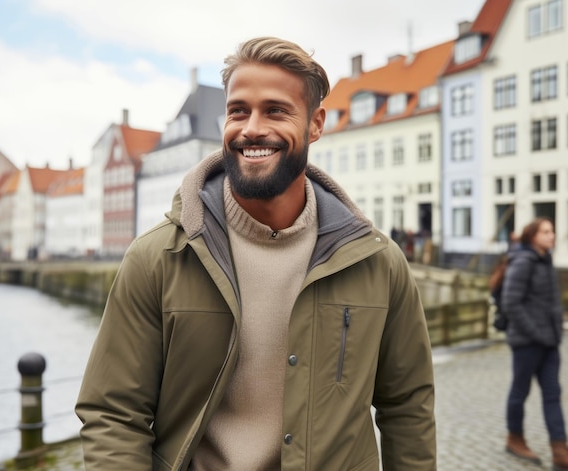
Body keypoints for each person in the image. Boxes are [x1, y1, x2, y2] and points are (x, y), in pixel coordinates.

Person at [75, 36, 436, 470]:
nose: (251, 128)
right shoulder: (159, 258)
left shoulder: (378, 263)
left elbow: (407, 406)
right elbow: (114, 413)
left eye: (276, 110)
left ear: (316, 125)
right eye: (238, 111)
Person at [501, 218, 568, 470]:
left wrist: (555, 331)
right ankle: (514, 438)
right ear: (532, 236)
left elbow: (550, 303)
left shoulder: (546, 261)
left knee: (553, 394)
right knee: (520, 392)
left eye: (553, 231)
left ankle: (560, 450)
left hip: (550, 342)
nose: (552, 235)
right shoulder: (523, 262)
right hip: (527, 342)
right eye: (546, 232)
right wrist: (536, 332)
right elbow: (511, 303)